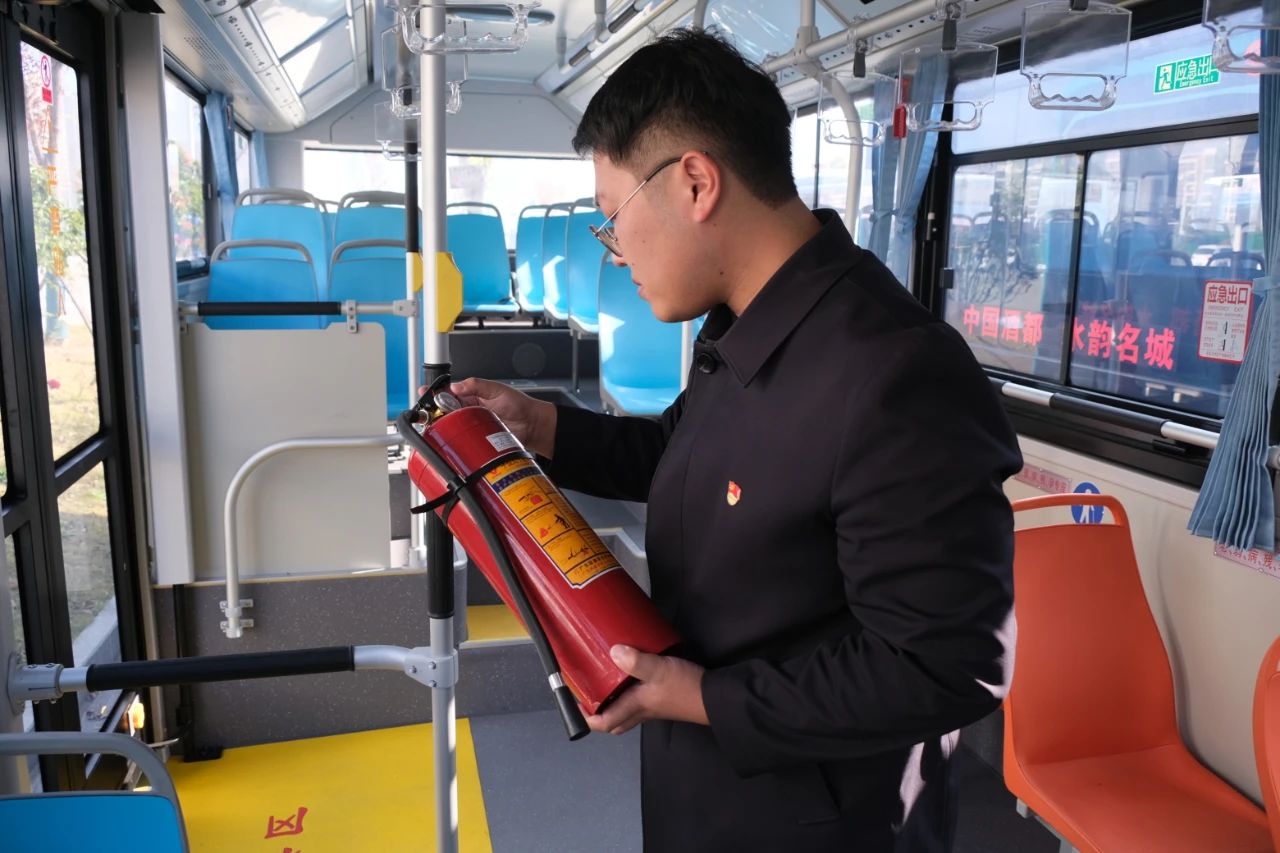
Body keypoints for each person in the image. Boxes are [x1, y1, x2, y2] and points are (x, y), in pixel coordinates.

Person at [450, 29, 1022, 852]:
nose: (614, 251)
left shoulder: (896, 372)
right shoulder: (746, 326)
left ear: (695, 182)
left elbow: (945, 664)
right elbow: (686, 456)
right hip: (706, 781)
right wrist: (542, 427)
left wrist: (700, 697)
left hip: (817, 820)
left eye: (614, 218)